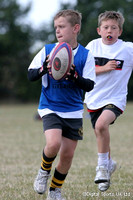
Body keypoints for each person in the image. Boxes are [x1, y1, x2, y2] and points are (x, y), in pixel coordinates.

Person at [28, 9, 96, 200]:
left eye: (61, 27)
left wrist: (75, 76)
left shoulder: (85, 55)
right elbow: (31, 74)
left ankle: (55, 191)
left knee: (67, 155)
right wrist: (44, 68)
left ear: (75, 28)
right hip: (50, 106)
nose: (57, 31)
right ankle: (43, 171)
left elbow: (89, 85)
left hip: (73, 111)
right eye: (55, 27)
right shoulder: (48, 50)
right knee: (54, 143)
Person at [84, 10, 133, 192]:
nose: (109, 30)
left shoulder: (127, 49)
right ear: (99, 30)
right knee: (100, 134)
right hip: (93, 99)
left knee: (101, 126)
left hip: (115, 99)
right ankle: (109, 165)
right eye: (106, 27)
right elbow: (84, 71)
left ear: (120, 31)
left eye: (114, 27)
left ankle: (102, 168)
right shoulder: (92, 46)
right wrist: (104, 68)